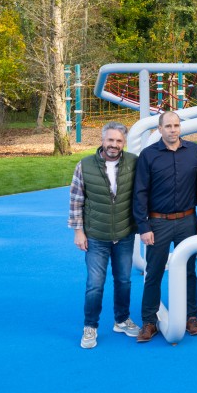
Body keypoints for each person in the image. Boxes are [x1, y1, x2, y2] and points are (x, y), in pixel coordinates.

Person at [133, 111, 197, 343]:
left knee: (189, 271)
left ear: (180, 127)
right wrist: (144, 226)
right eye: (168, 126)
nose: (173, 130)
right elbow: (140, 192)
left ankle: (191, 317)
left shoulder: (194, 151)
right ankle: (149, 321)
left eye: (176, 125)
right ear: (160, 129)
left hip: (187, 221)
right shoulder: (148, 155)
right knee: (153, 272)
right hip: (158, 222)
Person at [68, 121, 139, 349]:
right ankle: (90, 326)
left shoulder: (133, 163)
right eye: (110, 140)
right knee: (95, 284)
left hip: (124, 234)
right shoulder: (85, 165)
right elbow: (76, 200)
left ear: (123, 143)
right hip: (96, 236)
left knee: (124, 281)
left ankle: (121, 320)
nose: (114, 145)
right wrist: (78, 231)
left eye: (119, 141)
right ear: (102, 140)